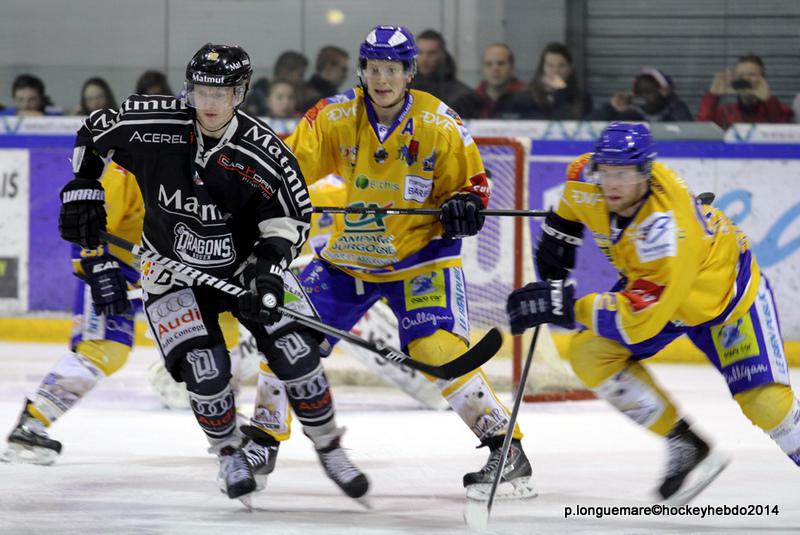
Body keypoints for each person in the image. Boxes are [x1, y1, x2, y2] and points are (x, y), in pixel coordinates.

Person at [54, 42, 368, 503]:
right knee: (205, 369)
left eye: (220, 93)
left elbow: (291, 218)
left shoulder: (264, 151)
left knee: (296, 351)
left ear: (240, 93)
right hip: (170, 270)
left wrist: (267, 270)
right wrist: (83, 185)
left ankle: (329, 447)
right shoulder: (155, 124)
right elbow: (95, 129)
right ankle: (228, 454)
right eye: (201, 90)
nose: (209, 103)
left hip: (245, 267)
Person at [284, 25, 535, 501]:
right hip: (350, 259)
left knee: (437, 350)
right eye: (374, 68)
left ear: (409, 73)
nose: (382, 79)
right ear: (362, 71)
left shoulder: (440, 123)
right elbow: (288, 170)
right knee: (288, 337)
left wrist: (465, 206)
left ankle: (507, 449)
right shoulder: (334, 116)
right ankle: (261, 441)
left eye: (392, 69)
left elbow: (473, 187)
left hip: (421, 258)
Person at [506, 122, 800, 504]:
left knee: (767, 405)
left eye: (624, 174)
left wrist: (564, 304)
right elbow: (574, 195)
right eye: (607, 171)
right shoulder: (589, 178)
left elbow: (638, 324)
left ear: (645, 172)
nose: (612, 184)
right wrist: (559, 233)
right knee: (589, 353)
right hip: (657, 293)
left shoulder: (667, 233)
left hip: (725, 297)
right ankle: (684, 443)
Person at [2, 161, 143, 465]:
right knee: (102, 350)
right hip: (113, 272)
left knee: (217, 335)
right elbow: (88, 222)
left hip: (153, 276)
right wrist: (95, 266)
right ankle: (32, 424)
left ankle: (227, 426)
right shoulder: (129, 168)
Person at [697, 54, 794, 129]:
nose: (745, 79)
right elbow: (702, 131)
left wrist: (769, 100)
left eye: (751, 75)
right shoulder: (724, 112)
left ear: (763, 79)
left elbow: (783, 131)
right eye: (740, 75)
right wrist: (712, 96)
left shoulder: (780, 110)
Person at [410, 29, 481, 118]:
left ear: (442, 55)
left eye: (431, 53)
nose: (425, 58)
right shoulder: (405, 90)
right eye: (420, 52)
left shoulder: (462, 97)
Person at [511, 42, 592, 120]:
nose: (555, 71)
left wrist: (561, 92)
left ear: (570, 69)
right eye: (550, 66)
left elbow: (571, 120)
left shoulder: (582, 99)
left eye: (561, 66)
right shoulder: (527, 96)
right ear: (542, 68)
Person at [590, 67, 693, 122]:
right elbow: (587, 129)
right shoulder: (629, 116)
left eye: (650, 90)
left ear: (664, 92)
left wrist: (671, 100)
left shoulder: (674, 112)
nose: (644, 96)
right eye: (640, 90)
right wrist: (612, 108)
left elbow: (689, 131)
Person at [475, 43, 525, 119]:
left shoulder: (527, 100)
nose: (495, 69)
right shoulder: (473, 100)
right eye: (489, 64)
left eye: (501, 63)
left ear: (511, 67)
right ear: (483, 69)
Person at [302, 45, 349, 110]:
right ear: (328, 67)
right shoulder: (330, 98)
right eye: (343, 70)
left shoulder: (304, 90)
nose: (345, 75)